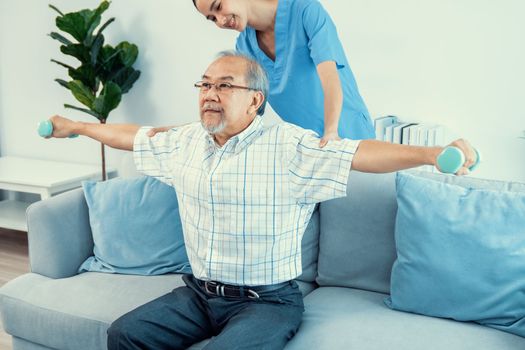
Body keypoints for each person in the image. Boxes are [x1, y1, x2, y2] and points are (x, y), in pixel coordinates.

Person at [46, 51, 475, 350]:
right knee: (125, 334)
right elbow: (134, 136)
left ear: (255, 100)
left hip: (267, 302)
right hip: (197, 295)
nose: (210, 93)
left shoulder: (289, 146)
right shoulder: (187, 142)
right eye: (205, 84)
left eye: (225, 85)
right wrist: (78, 127)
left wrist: (429, 155)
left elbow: (358, 152)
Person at [150, 0, 375, 145]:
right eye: (211, 19)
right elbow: (239, 112)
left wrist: (331, 133)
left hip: (348, 133)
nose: (220, 21)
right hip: (310, 148)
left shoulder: (305, 10)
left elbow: (330, 80)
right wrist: (182, 133)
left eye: (218, 7)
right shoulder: (244, 48)